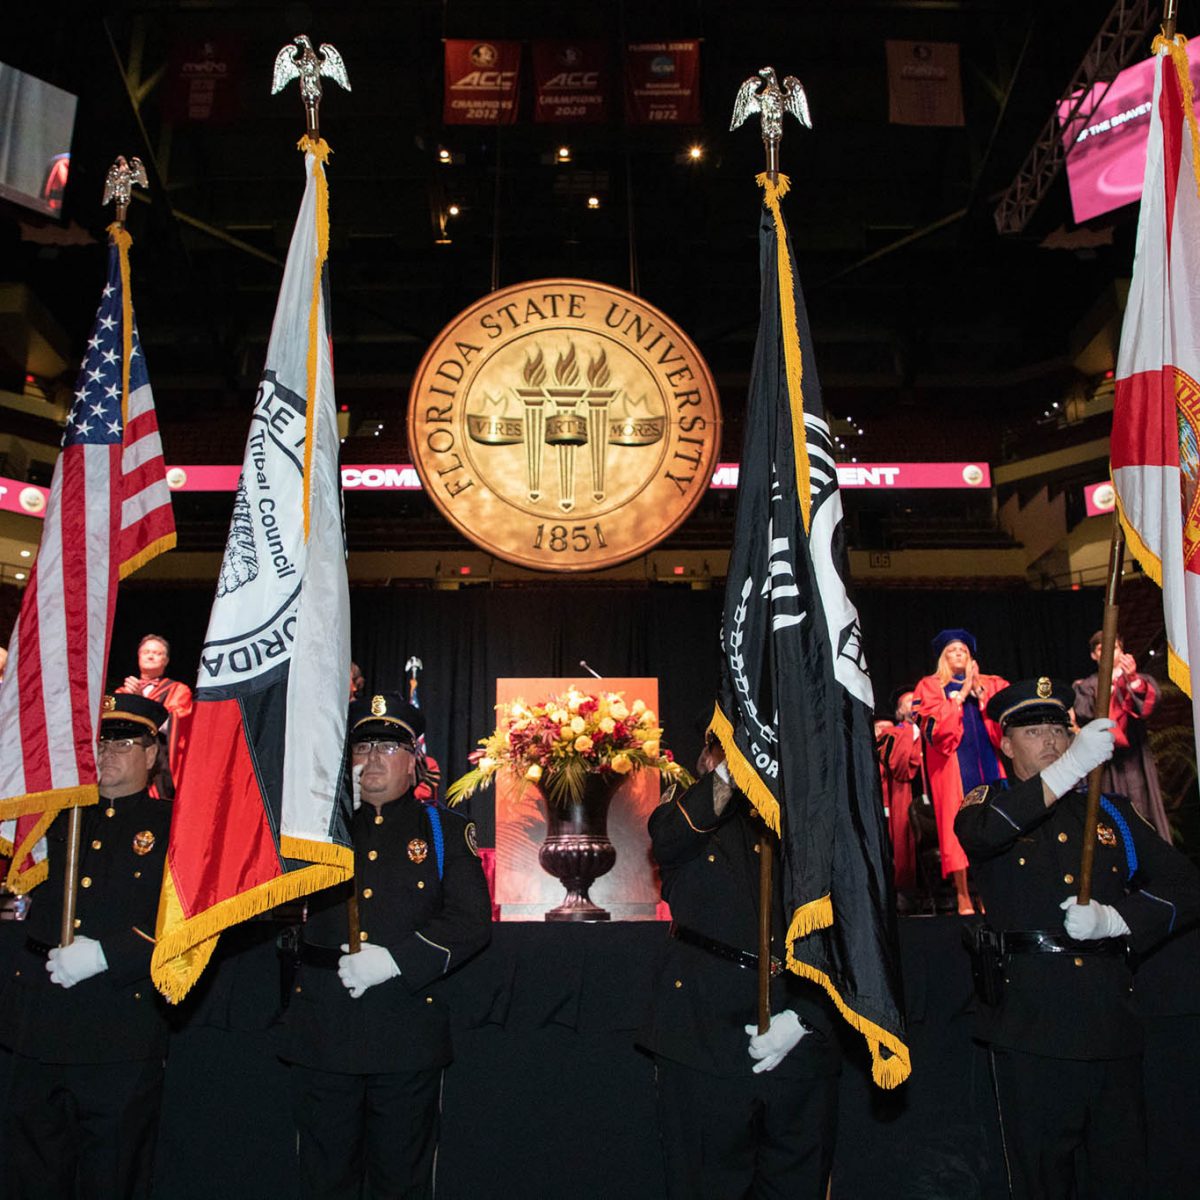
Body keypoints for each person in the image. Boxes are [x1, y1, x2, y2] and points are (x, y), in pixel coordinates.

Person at [955, 678, 1200, 1199]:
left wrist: (1120, 919)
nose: (1050, 740)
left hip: (1110, 1024)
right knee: (1041, 1182)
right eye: (1033, 730)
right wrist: (1069, 771)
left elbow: (1187, 884)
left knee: (1122, 1178)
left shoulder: (1110, 813)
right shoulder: (989, 802)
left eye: (1060, 731)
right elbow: (981, 834)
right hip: (1032, 1029)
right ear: (1005, 742)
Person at [276, 691, 492, 1200]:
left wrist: (398, 960)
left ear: (416, 762)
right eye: (362, 746)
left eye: (389, 747)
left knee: (402, 1180)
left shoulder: (444, 830)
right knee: (324, 1179)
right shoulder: (315, 834)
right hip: (324, 1029)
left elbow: (471, 921)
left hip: (405, 1030)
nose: (372, 757)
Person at [640, 735, 840, 1199]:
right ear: (708, 757)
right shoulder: (685, 814)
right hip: (704, 1034)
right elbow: (668, 839)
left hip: (804, 1033)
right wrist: (737, 771)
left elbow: (855, 929)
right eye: (729, 746)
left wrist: (808, 1018)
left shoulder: (820, 820)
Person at [0, 694, 174, 1198]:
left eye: (123, 741)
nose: (107, 752)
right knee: (30, 1175)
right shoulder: (47, 816)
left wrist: (108, 954)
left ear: (151, 753)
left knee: (112, 1178)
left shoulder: (172, 829)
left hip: (118, 1032)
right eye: (99, 740)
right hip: (36, 1024)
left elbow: (188, 922)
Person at [913, 628, 1008, 914]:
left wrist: (980, 695)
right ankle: (964, 893)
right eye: (953, 650)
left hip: (989, 758)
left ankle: (996, 891)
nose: (959, 654)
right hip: (953, 765)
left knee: (994, 819)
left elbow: (1007, 717)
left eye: (964, 651)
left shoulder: (991, 683)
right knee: (959, 825)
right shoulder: (930, 686)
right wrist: (960, 694)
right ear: (943, 657)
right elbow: (935, 730)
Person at [1073, 631, 1171, 841]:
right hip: (1106, 763)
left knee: (1143, 809)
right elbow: (1083, 714)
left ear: (1122, 650)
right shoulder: (1086, 686)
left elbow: (1149, 706)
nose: (1108, 651)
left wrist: (1132, 680)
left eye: (1114, 646)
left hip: (1136, 757)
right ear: (1094, 655)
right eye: (1101, 648)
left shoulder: (1137, 680)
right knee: (1114, 815)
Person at [117, 634, 193, 789]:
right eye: (146, 652)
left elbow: (178, 727)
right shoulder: (122, 693)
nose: (151, 656)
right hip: (127, 765)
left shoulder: (178, 690)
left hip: (162, 766)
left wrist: (140, 702)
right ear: (139, 657)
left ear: (165, 661)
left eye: (157, 653)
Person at [876, 690, 924, 897]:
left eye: (917, 700)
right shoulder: (892, 735)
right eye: (908, 701)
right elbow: (899, 766)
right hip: (906, 799)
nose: (913, 704)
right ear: (898, 712)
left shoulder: (935, 731)